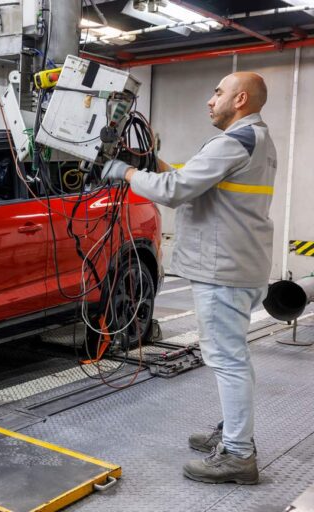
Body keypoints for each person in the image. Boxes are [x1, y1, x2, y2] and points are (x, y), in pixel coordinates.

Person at [102, 72, 276, 485]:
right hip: (240, 263)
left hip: (224, 268)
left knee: (227, 359)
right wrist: (151, 162)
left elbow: (177, 189)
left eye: (218, 92)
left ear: (241, 99)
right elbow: (192, 178)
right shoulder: (254, 140)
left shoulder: (235, 140)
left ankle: (237, 454)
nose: (210, 100)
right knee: (235, 358)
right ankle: (235, 433)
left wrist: (124, 172)